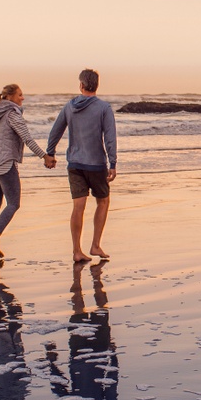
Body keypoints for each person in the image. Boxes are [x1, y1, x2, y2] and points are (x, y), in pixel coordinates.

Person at [45, 68, 117, 262]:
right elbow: (110, 137)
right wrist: (113, 162)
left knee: (78, 206)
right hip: (96, 164)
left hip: (75, 164)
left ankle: (77, 250)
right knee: (103, 201)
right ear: (96, 85)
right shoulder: (104, 108)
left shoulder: (70, 106)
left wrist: (50, 153)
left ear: (81, 85)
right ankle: (95, 245)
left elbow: (56, 130)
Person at [0, 83, 55, 258]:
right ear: (10, 97)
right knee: (13, 203)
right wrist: (44, 156)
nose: (22, 98)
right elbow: (27, 138)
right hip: (5, 164)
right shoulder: (12, 113)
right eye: (20, 95)